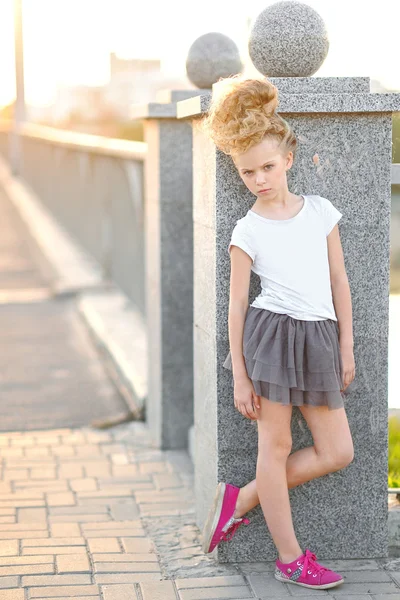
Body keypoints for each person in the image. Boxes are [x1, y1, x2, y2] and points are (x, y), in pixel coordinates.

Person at [197, 75, 356, 591]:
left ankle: (240, 499)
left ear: (287, 159)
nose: (260, 179)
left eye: (267, 167)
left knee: (338, 451)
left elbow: (339, 280)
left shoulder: (320, 212)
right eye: (248, 172)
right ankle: (290, 558)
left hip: (319, 338)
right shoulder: (248, 229)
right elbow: (237, 305)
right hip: (270, 338)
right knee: (277, 444)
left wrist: (346, 347)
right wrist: (240, 376)